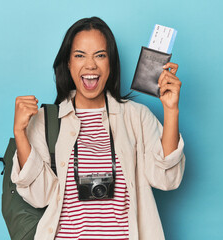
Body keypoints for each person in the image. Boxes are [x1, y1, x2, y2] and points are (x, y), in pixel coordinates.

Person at [11, 16, 185, 240]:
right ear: (68, 63)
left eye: (100, 55)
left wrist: (171, 111)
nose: (90, 65)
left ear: (111, 63)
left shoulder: (137, 117)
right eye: (79, 55)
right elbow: (39, 196)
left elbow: (166, 179)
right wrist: (20, 134)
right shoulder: (46, 121)